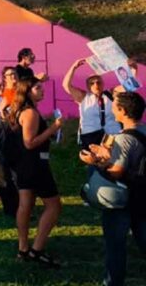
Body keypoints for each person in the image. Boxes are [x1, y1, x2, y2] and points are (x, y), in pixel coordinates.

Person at [79, 91, 146, 286]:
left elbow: (116, 171)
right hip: (143, 196)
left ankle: (113, 282)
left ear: (122, 111)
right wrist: (107, 153)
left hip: (123, 198)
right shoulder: (143, 131)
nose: (112, 109)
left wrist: (95, 162)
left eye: (114, 106)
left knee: (115, 246)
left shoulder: (123, 139)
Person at [10, 77, 63, 267]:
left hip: (23, 165)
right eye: (38, 88)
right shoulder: (30, 112)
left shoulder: (22, 111)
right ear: (28, 91)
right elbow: (29, 142)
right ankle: (36, 249)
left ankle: (23, 248)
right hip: (35, 165)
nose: (43, 90)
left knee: (26, 205)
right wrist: (53, 128)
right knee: (54, 206)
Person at [63, 58, 122, 150]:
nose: (96, 85)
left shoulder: (110, 94)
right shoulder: (84, 97)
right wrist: (74, 67)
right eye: (92, 83)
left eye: (98, 82)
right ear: (87, 86)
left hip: (112, 134)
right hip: (91, 135)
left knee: (114, 161)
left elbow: (128, 85)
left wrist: (132, 69)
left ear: (103, 83)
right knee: (94, 162)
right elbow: (66, 86)